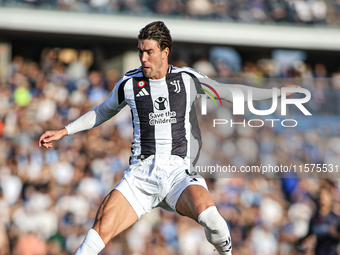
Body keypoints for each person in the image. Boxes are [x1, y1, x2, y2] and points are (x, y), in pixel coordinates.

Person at [39, 21, 299, 255]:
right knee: (96, 236)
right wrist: (64, 131)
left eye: (149, 52)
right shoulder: (129, 84)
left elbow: (230, 91)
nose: (143, 58)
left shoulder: (187, 80)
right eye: (141, 51)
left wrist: (275, 93)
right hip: (140, 177)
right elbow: (102, 112)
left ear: (165, 52)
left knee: (214, 221)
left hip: (177, 175)